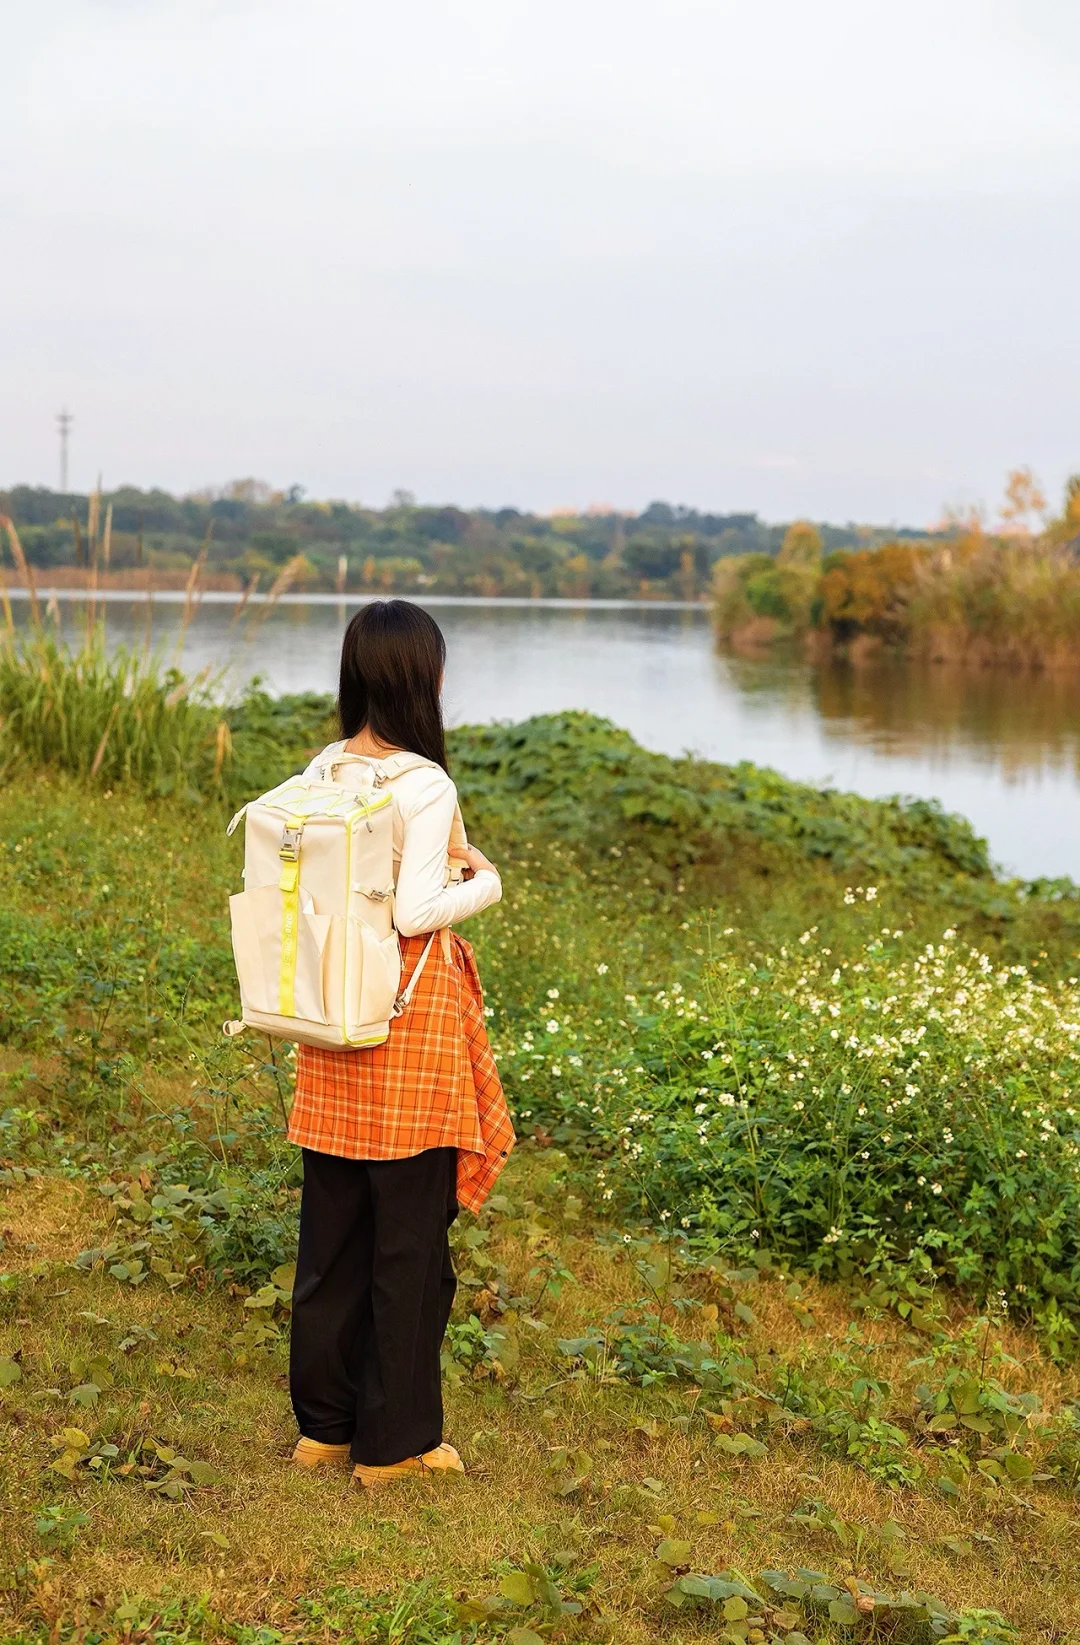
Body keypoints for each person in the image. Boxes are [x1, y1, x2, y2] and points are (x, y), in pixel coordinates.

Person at [285, 599, 514, 1489]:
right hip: (405, 1030)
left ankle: (325, 1428)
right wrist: (484, 880)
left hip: (333, 1018)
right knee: (410, 1246)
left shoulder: (325, 765)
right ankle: (397, 1445)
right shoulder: (424, 783)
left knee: (333, 1237)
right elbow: (417, 913)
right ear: (423, 678)